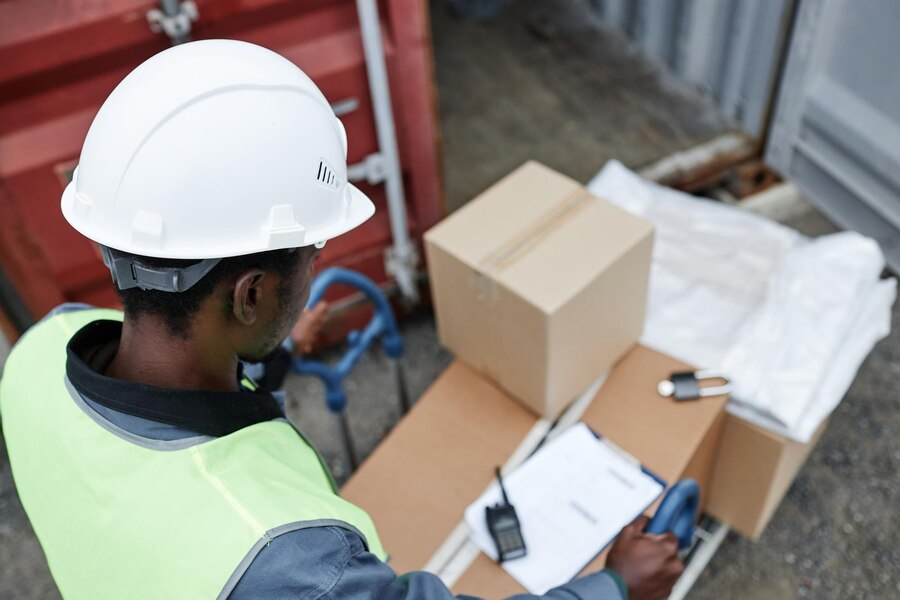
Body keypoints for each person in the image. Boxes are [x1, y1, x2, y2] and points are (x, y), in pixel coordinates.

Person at [0, 40, 682, 600]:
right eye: (312, 254)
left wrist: (270, 354)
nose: (315, 268)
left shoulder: (40, 347)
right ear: (250, 296)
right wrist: (617, 587)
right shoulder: (292, 565)